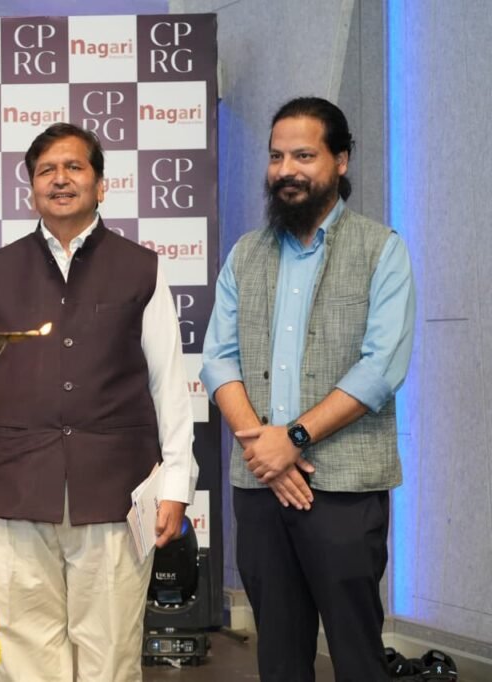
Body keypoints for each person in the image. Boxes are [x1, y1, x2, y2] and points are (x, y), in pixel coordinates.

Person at [0, 122, 198, 681]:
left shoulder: (141, 267)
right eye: (46, 170)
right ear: (30, 189)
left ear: (100, 184)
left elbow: (169, 383)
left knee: (110, 653)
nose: (60, 179)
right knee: (23, 653)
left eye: (74, 167)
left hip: (115, 491)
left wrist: (175, 485)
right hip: (16, 486)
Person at [200, 96, 415, 681]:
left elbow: (381, 368)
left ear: (340, 161)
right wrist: (263, 449)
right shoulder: (245, 254)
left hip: (344, 489)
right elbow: (219, 360)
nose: (286, 170)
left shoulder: (381, 249)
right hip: (259, 487)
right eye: (276, 157)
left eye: (303, 155)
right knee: (279, 657)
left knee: (357, 654)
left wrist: (291, 439)